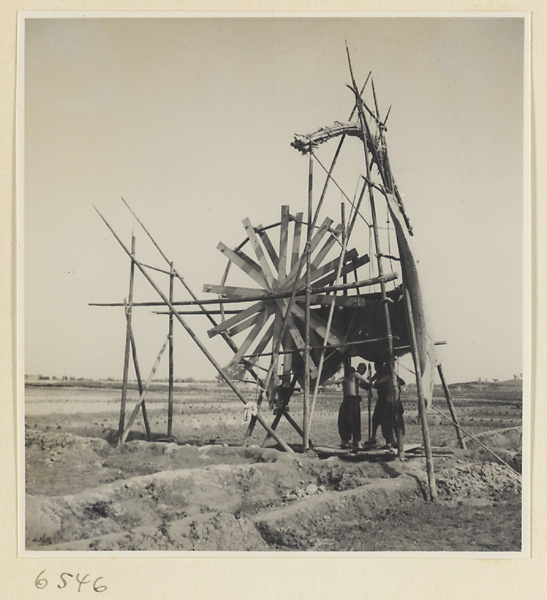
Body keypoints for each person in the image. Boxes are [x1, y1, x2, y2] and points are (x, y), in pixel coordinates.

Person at [370, 361, 406, 458]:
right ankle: (394, 441)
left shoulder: (389, 376)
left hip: (390, 402)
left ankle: (392, 442)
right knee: (395, 422)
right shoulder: (392, 376)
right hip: (396, 402)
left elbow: (376, 383)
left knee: (388, 422)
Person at [338, 362, 368, 450]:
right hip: (350, 400)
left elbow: (363, 383)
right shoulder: (354, 375)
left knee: (352, 420)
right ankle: (347, 440)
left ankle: (353, 441)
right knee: (347, 420)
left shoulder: (351, 377)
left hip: (352, 400)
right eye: (361, 369)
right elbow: (365, 380)